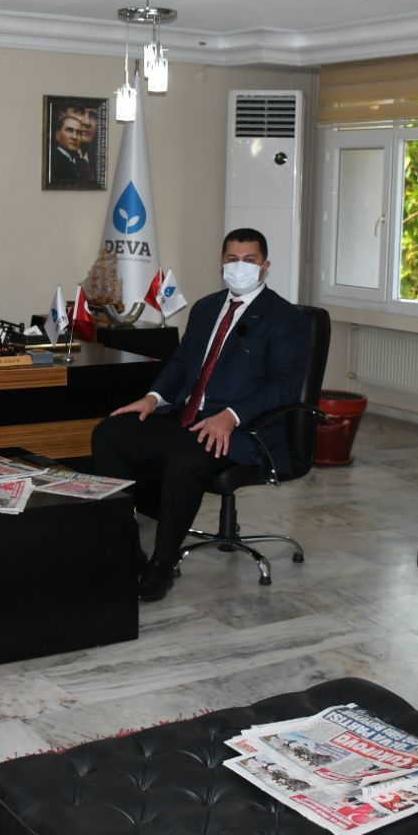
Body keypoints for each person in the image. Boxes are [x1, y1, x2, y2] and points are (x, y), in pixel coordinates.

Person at [90, 227, 309, 602]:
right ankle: (126, 547)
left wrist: (232, 415)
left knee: (184, 457)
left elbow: (285, 386)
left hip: (241, 430)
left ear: (265, 266)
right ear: (221, 263)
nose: (239, 266)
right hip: (186, 416)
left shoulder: (284, 318)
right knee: (110, 433)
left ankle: (162, 563)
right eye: (232, 259)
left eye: (249, 260)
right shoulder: (207, 308)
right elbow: (181, 364)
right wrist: (153, 398)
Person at [49, 108, 88, 186]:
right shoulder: (52, 162)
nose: (75, 137)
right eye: (69, 130)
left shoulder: (82, 164)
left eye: (78, 133)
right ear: (57, 135)